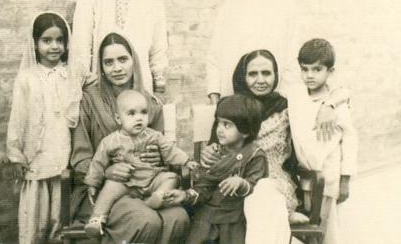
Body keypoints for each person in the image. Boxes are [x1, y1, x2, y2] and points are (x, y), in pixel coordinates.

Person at [201, 49, 349, 244]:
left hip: (273, 182)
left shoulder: (287, 106)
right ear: (242, 76)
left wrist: (328, 105)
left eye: (267, 73)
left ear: (275, 75)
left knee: (262, 194)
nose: (260, 80)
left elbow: (340, 88)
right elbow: (216, 146)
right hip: (232, 181)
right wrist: (208, 152)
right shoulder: (231, 106)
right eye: (253, 74)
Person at [70, 32, 188, 244]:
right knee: (146, 220)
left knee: (178, 218)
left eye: (123, 59)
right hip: (107, 189)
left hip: (148, 183)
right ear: (101, 68)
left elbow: (162, 153)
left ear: (134, 61)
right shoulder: (88, 100)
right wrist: (107, 171)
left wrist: (154, 159)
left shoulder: (149, 102)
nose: (117, 68)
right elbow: (80, 159)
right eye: (109, 62)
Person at [68, 0, 168, 126]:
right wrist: (86, 79)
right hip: (102, 82)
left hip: (139, 84)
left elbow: (158, 43)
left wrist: (158, 85)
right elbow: (81, 40)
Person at [84, 89, 198, 237]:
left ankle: (159, 196)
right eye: (131, 114)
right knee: (110, 187)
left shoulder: (154, 136)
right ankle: (97, 219)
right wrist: (93, 183)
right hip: (126, 183)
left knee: (171, 177)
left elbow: (170, 150)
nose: (139, 118)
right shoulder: (110, 141)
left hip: (152, 180)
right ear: (118, 119)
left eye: (143, 113)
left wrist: (186, 160)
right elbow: (98, 163)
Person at [206, 0, 301, 104]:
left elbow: (292, 56)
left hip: (275, 98)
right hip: (234, 98)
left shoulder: (286, 7)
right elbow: (214, 55)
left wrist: (283, 99)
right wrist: (215, 95)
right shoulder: (229, 8)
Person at [165, 94, 268, 244]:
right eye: (219, 123)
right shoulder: (216, 153)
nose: (219, 130)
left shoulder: (254, 155)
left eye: (227, 125)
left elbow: (258, 190)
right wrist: (185, 195)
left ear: (245, 130)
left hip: (235, 219)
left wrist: (241, 183)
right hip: (207, 217)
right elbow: (204, 188)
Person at [6, 12, 72, 243]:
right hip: (36, 157)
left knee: (59, 219)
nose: (54, 46)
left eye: (60, 40)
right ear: (35, 43)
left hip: (62, 156)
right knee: (35, 219)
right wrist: (16, 155)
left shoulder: (70, 75)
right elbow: (18, 117)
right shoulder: (27, 78)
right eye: (47, 40)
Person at [287, 39, 358, 244]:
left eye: (317, 69)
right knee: (309, 230)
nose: (309, 75)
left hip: (328, 178)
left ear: (330, 72)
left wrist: (345, 179)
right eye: (305, 69)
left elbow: (350, 141)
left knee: (329, 230)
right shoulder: (296, 95)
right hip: (305, 177)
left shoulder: (337, 106)